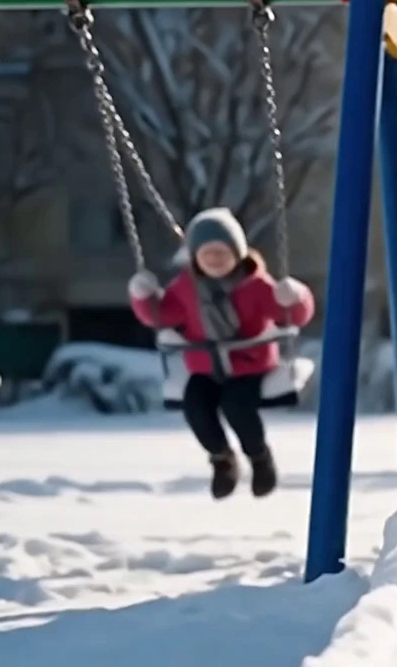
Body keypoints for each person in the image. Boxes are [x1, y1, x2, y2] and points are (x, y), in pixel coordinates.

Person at [128, 207, 314, 499]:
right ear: (195, 257)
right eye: (207, 254)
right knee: (195, 407)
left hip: (249, 365)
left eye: (222, 253)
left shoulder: (255, 284)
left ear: (238, 253)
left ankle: (260, 458)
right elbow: (160, 316)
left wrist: (295, 298)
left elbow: (291, 315)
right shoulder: (185, 288)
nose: (215, 260)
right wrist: (143, 297)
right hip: (205, 367)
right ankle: (222, 460)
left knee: (237, 407)